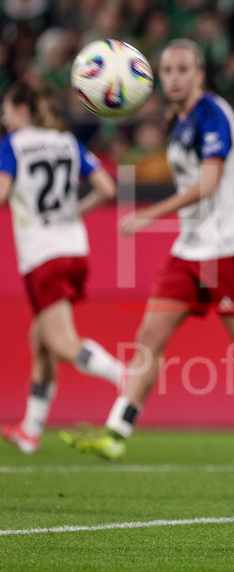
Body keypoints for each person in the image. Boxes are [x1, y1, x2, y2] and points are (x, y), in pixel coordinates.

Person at [59, 39, 234, 466]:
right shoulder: (180, 120)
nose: (173, 77)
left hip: (228, 248)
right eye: (167, 70)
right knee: (149, 338)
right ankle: (116, 432)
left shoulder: (212, 114)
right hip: (190, 250)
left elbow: (208, 184)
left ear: (199, 74)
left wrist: (150, 214)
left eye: (182, 69)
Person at [0, 81, 124, 454]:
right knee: (41, 339)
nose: (4, 118)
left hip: (42, 254)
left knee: (61, 342)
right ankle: (30, 431)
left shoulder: (13, 144)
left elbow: (2, 193)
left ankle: (126, 377)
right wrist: (72, 213)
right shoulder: (68, 142)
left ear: (23, 110)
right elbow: (107, 189)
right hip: (74, 249)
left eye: (6, 110)